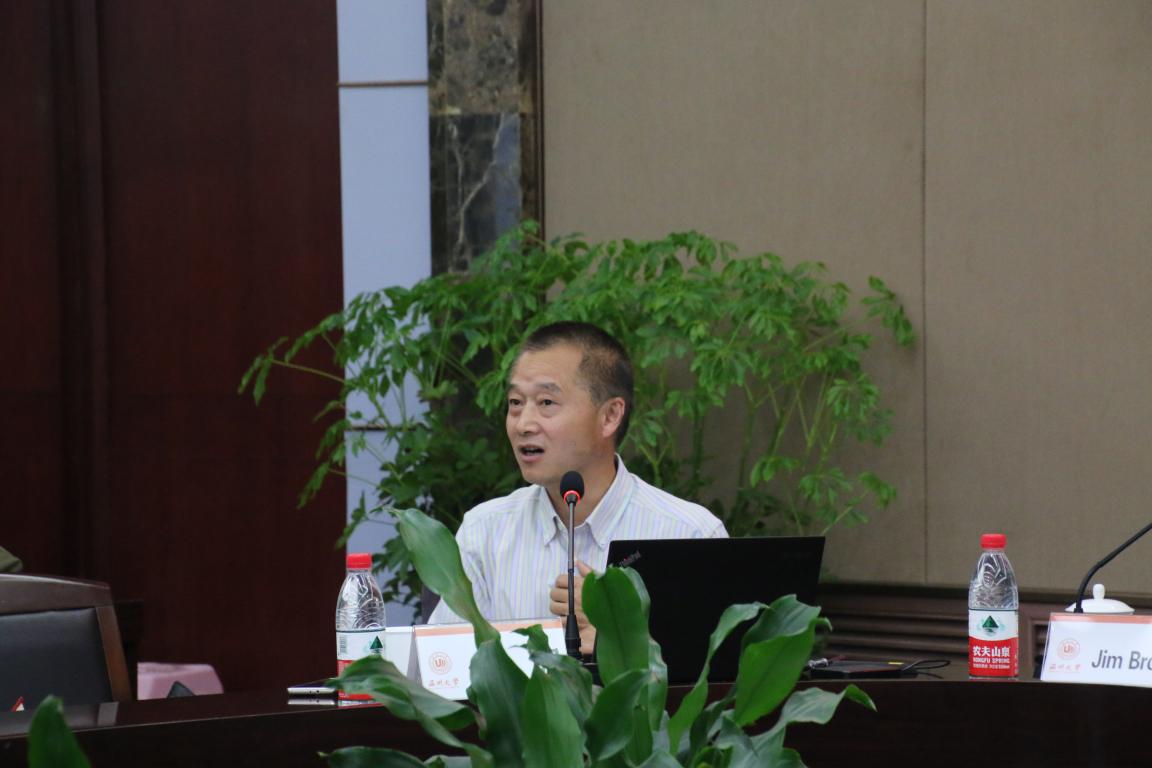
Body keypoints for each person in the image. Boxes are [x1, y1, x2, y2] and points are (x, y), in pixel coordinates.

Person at [428, 321, 727, 653]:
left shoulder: (689, 534)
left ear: (609, 416)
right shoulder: (484, 533)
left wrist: (620, 633)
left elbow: (721, 674)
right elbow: (441, 665)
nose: (523, 424)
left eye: (546, 402)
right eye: (515, 402)